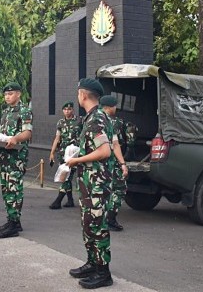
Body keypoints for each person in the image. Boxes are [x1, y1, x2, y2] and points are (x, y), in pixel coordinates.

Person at [66, 78, 114, 289]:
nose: (78, 97)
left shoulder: (97, 119)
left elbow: (104, 151)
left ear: (83, 95)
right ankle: (92, 263)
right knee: (88, 223)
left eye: (78, 94)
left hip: (96, 183)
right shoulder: (91, 118)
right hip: (89, 183)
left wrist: (77, 160)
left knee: (97, 225)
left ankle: (104, 272)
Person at [0, 82, 33, 239]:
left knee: (14, 189)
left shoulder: (24, 111)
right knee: (6, 189)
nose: (7, 97)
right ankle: (13, 221)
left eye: (10, 94)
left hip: (16, 158)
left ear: (18, 94)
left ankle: (13, 224)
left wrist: (15, 138)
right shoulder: (6, 112)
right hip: (5, 156)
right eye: (5, 95)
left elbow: (27, 133)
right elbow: (3, 132)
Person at [99, 95, 129, 232]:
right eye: (115, 106)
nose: (116, 108)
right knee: (120, 188)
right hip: (111, 161)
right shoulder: (112, 122)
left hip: (98, 162)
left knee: (102, 190)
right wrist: (122, 163)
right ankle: (110, 218)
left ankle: (101, 219)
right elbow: (116, 144)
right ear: (109, 107)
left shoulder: (94, 119)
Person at [49, 100, 81, 209]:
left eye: (69, 109)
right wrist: (52, 153)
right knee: (66, 174)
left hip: (74, 154)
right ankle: (70, 201)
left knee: (66, 175)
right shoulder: (60, 122)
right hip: (63, 153)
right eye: (65, 109)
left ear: (73, 109)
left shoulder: (79, 121)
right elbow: (57, 138)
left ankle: (58, 201)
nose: (67, 111)